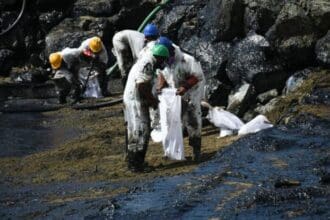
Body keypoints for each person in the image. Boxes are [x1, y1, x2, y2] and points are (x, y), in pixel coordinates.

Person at [156, 37, 205, 161]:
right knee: (172, 120)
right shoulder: (163, 60)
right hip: (176, 92)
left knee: (192, 118)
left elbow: (197, 76)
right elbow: (162, 73)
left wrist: (185, 87)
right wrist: (161, 86)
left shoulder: (187, 60)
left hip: (192, 91)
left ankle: (196, 150)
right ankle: (172, 150)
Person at [123, 44, 169, 172]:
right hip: (136, 100)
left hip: (133, 98)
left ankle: (133, 161)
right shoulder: (148, 63)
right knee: (141, 130)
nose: (163, 63)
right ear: (159, 57)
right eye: (163, 60)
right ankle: (136, 165)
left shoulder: (145, 60)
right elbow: (141, 85)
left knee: (134, 130)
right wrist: (152, 101)